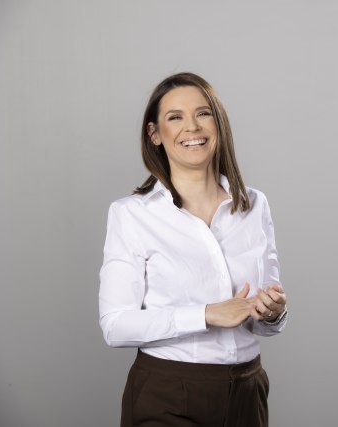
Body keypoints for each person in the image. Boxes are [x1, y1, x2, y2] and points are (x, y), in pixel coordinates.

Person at [99, 72, 288, 427]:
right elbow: (115, 325)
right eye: (175, 117)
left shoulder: (255, 206)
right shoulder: (132, 214)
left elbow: (263, 323)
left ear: (219, 124)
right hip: (168, 392)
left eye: (203, 113)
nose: (192, 127)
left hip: (248, 392)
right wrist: (206, 314)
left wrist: (272, 312)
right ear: (155, 134)